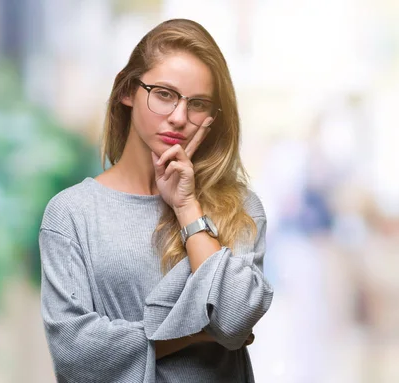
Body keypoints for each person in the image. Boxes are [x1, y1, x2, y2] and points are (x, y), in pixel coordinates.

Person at [38, 18, 274, 382]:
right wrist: (196, 331)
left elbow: (232, 318)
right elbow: (74, 352)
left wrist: (186, 207)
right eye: (164, 94)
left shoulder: (240, 208)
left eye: (197, 104)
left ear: (213, 118)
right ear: (128, 91)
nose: (179, 118)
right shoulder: (72, 213)